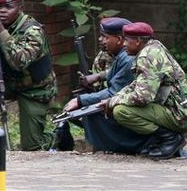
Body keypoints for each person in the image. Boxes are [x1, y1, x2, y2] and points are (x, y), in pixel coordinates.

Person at [99, 22, 187, 159]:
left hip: (183, 113)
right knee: (120, 104)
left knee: (121, 111)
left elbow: (142, 97)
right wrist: (116, 97)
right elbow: (137, 84)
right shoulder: (154, 47)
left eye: (127, 40)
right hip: (185, 109)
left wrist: (114, 101)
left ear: (137, 41)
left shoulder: (147, 57)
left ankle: (170, 139)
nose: (124, 45)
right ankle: (162, 140)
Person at [0, 0, 73, 151]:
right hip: (9, 82)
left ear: (20, 7)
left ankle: (59, 135)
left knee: (32, 147)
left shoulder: (33, 31)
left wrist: (1, 32)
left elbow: (19, 61)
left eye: (8, 7)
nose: (2, 11)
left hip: (35, 90)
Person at [63, 17, 151, 153]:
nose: (101, 40)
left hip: (139, 108)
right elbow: (111, 76)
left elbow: (113, 92)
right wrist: (95, 79)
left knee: (91, 111)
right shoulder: (120, 56)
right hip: (130, 102)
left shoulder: (127, 58)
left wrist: (81, 100)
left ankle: (125, 146)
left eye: (105, 37)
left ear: (119, 40)